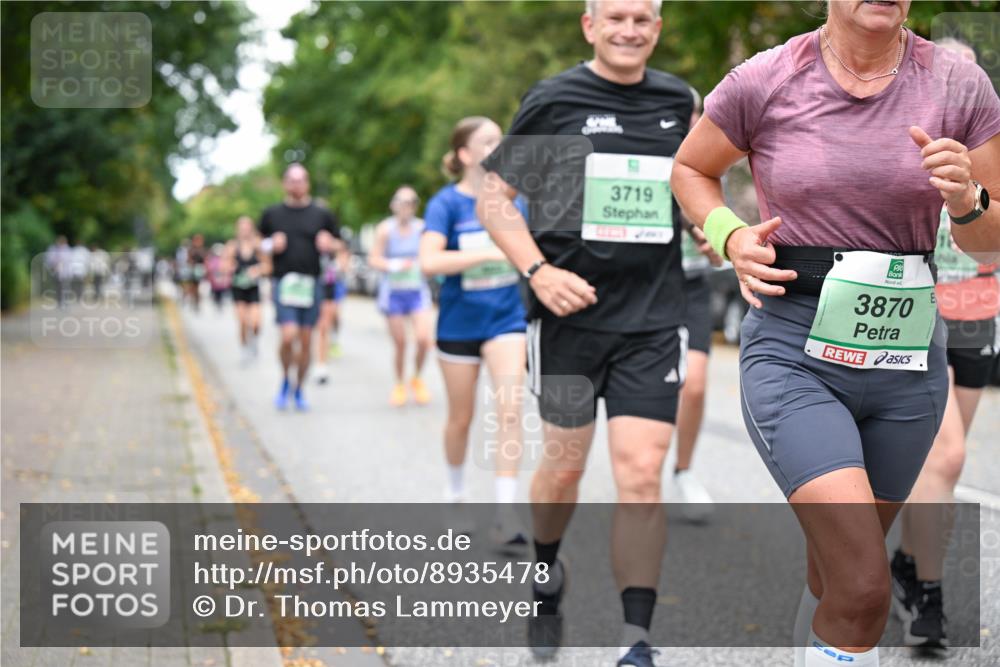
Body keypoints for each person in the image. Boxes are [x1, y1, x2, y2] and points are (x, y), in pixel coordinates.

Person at [670, 1, 1000, 664]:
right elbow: (690, 169)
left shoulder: (960, 87)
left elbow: (990, 241)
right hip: (795, 349)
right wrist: (729, 234)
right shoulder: (766, 78)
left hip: (907, 363)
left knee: (838, 574)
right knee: (863, 583)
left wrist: (967, 201)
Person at [477, 1, 695, 663]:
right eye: (617, 18)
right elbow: (495, 197)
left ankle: (637, 638)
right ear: (590, 24)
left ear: (658, 28)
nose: (630, 31)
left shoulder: (681, 102)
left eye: (644, 20)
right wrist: (537, 271)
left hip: (653, 319)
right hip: (570, 321)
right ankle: (546, 573)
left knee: (639, 474)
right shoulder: (555, 99)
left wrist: (715, 233)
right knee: (565, 466)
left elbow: (701, 182)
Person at [889, 35, 1000, 652]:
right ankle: (928, 597)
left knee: (935, 467)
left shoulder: (991, 142)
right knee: (947, 456)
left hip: (979, 315)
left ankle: (907, 565)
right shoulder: (902, 134)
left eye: (970, 73)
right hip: (916, 311)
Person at [420, 116, 530, 550]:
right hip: (458, 324)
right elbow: (429, 262)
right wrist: (492, 249)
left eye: (500, 140)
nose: (497, 146)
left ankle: (506, 514)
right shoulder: (445, 205)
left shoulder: (514, 202)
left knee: (509, 411)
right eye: (487, 141)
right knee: (461, 419)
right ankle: (454, 495)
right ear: (465, 155)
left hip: (506, 320)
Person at [672, 89, 722, 522]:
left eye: (696, 114)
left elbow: (718, 237)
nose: (692, 121)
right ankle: (642, 473)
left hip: (691, 286)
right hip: (646, 287)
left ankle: (683, 471)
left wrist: (715, 244)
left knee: (696, 384)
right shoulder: (648, 158)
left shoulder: (708, 159)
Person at [259, 163, 342, 411]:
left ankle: (299, 388)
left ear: (307, 183)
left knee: (306, 341)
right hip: (284, 283)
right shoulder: (272, 214)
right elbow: (257, 244)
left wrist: (330, 243)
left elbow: (340, 245)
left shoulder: (321, 214)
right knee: (287, 336)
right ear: (285, 183)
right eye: (292, 180)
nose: (296, 184)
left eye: (301, 180)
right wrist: (270, 245)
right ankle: (285, 378)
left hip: (311, 284)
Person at [368, 186, 434, 407]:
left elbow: (430, 256)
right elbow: (374, 259)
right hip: (393, 293)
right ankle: (399, 383)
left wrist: (422, 265)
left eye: (411, 202)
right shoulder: (385, 230)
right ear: (393, 204)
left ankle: (416, 378)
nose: (406, 206)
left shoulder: (422, 228)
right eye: (401, 201)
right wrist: (393, 265)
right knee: (401, 343)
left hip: (417, 291)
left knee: (424, 339)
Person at [227, 216, 268, 365]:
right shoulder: (232, 246)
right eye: (242, 227)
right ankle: (244, 349)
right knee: (243, 321)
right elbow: (223, 266)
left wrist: (258, 269)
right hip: (238, 288)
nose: (245, 230)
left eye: (247, 227)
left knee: (256, 323)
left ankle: (254, 342)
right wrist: (230, 267)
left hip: (253, 287)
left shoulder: (258, 246)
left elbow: (268, 266)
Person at [314, 245, 350, 384]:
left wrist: (341, 263)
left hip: (334, 287)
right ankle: (317, 358)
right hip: (315, 287)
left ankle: (322, 363)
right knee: (318, 326)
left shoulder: (337, 247)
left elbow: (345, 266)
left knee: (333, 318)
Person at [206, 243, 232, 312]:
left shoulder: (223, 259)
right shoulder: (212, 259)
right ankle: (217, 302)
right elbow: (210, 268)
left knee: (221, 291)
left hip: (220, 279)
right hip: (215, 279)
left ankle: (220, 302)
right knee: (216, 291)